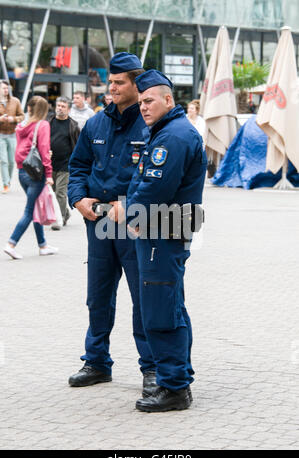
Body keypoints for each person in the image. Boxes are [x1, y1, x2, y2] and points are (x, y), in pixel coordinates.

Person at [109, 70, 207, 412]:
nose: (144, 107)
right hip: (160, 232)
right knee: (170, 304)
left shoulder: (174, 137)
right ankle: (177, 378)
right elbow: (143, 181)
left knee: (161, 310)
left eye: (149, 100)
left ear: (169, 99)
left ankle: (174, 387)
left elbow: (154, 189)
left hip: (162, 234)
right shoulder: (165, 132)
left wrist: (129, 213)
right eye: (140, 102)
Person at [67, 53, 156, 396]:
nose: (112, 87)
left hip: (134, 225)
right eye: (111, 82)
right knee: (98, 296)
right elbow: (78, 167)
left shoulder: (150, 124)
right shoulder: (95, 124)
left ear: (136, 83)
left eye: (119, 82)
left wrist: (129, 204)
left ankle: (150, 368)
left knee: (142, 297)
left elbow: (154, 177)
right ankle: (97, 362)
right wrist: (77, 198)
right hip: (98, 223)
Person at [3, 96, 58, 260]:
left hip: (22, 171)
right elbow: (44, 150)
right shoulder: (43, 125)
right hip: (36, 173)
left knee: (35, 209)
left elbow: (21, 149)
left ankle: (43, 245)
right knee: (29, 211)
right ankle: (11, 244)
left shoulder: (21, 126)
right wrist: (49, 174)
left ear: (29, 109)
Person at [48, 96, 80, 230]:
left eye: (63, 106)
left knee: (60, 193)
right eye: (58, 106)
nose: (60, 108)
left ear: (69, 109)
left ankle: (59, 218)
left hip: (65, 165)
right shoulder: (49, 121)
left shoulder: (73, 125)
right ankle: (66, 213)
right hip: (50, 164)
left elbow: (78, 146)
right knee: (54, 192)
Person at [0, 80, 25, 193]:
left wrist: (13, 119)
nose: (6, 90)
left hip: (12, 134)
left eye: (7, 88)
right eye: (3, 88)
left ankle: (8, 181)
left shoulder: (15, 101)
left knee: (11, 161)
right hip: (0, 135)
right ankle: (5, 184)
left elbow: (22, 116)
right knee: (3, 160)